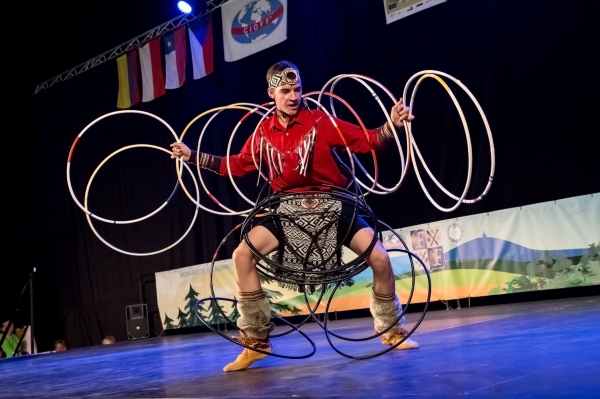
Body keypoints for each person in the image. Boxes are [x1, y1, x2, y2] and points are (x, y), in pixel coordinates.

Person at [171, 61, 417, 372]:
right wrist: (193, 156)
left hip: (332, 203)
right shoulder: (263, 133)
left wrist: (392, 123)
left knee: (380, 258)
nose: (293, 96)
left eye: (297, 89)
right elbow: (236, 165)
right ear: (271, 93)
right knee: (242, 255)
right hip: (286, 209)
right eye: (285, 90)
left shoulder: (320, 121)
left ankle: (391, 329)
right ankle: (257, 341)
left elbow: (366, 141)